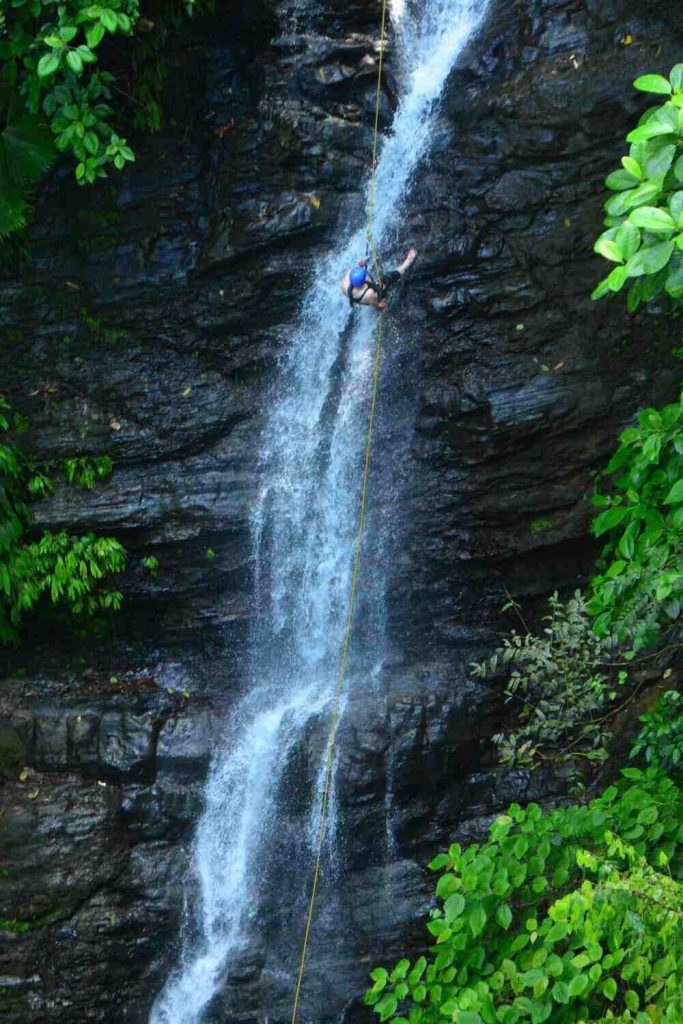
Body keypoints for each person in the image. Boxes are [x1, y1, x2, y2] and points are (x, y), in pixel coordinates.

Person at [341, 247, 417, 312]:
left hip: (351, 292)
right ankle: (408, 262)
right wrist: (380, 304)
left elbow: (358, 268)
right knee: (387, 279)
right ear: (363, 282)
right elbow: (378, 306)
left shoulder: (350, 274)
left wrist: (361, 264)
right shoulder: (369, 294)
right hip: (362, 297)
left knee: (379, 283)